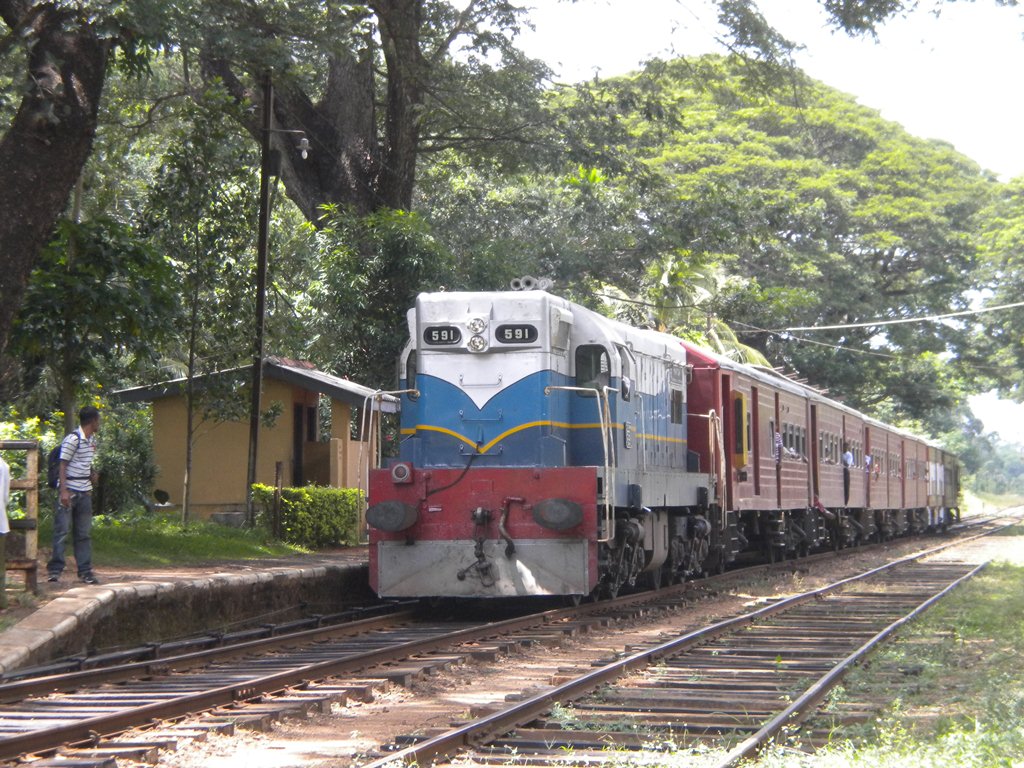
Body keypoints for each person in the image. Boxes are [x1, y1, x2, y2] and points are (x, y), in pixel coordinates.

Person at [47, 406, 101, 585]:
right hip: (70, 490)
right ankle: (55, 570)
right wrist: (63, 491)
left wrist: (92, 474)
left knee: (83, 533)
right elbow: (63, 464)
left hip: (85, 491)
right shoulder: (72, 440)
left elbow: (84, 462)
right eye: (98, 420)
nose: (99, 423)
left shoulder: (91, 441)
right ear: (93, 421)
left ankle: (85, 571)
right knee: (61, 531)